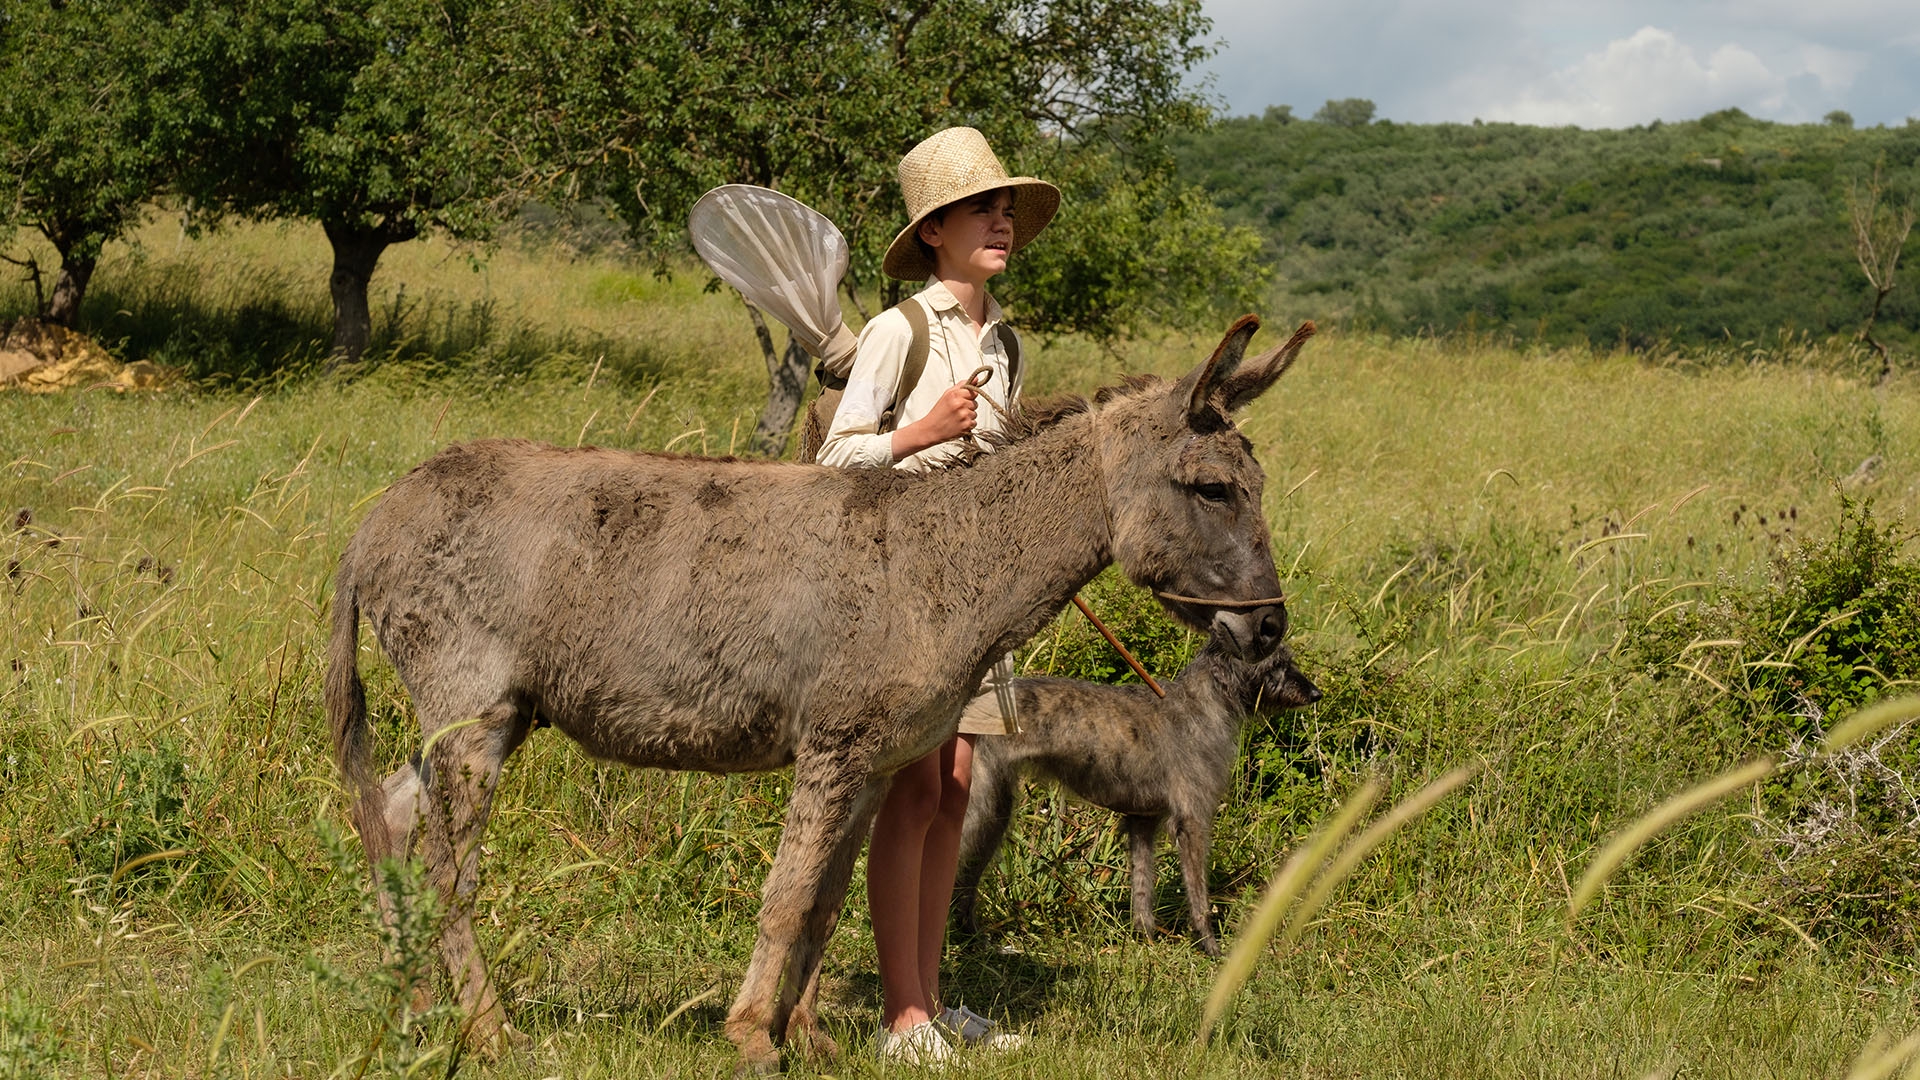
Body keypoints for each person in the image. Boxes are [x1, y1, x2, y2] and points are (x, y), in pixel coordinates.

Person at [817, 126, 1058, 1065]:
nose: (1002, 223)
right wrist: (917, 436)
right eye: (980, 210)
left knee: (957, 787)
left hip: (980, 597)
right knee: (915, 786)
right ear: (932, 231)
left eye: (1006, 210)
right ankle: (902, 1017)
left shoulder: (1006, 342)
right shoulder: (899, 330)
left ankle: (934, 999)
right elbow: (835, 458)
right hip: (904, 593)